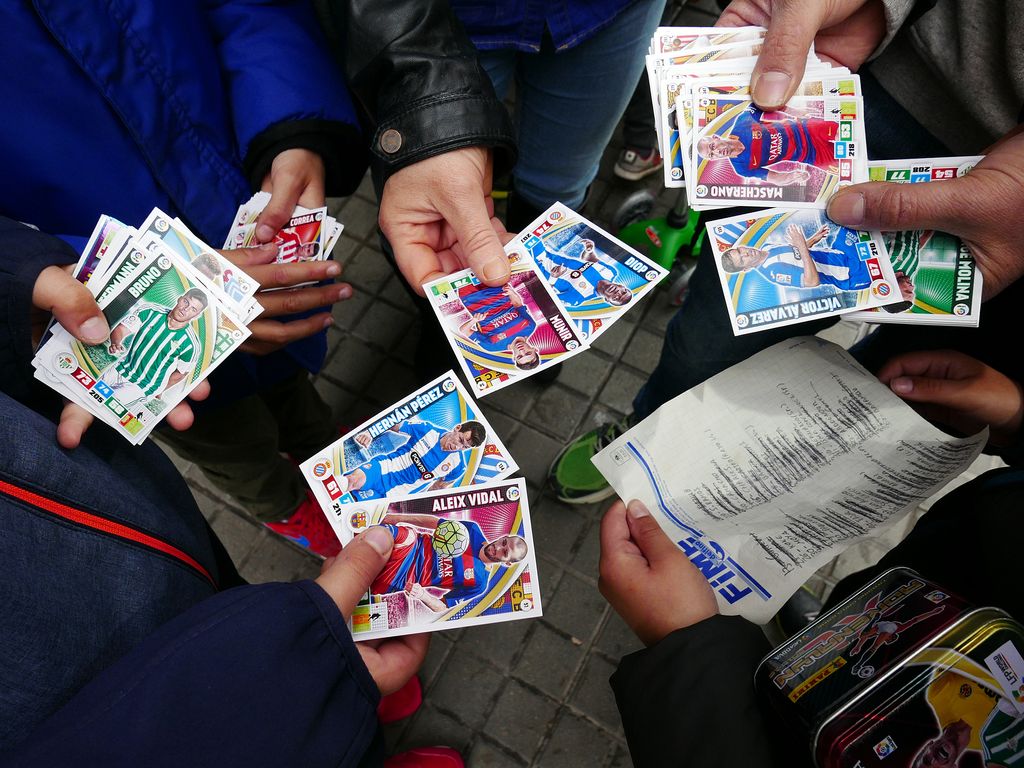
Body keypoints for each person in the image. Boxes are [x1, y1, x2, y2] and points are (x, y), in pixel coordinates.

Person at [0, 217, 453, 766]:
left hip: (167, 547)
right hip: (184, 702)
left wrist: (16, 279)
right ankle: (298, 519)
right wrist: (313, 667)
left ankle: (322, 487)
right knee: (252, 468)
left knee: (296, 427)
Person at [548, 0, 1024, 503]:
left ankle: (727, 479)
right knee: (712, 339)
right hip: (893, 78)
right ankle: (647, 435)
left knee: (891, 395)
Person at [598, 347, 1024, 767]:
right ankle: (816, 641)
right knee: (852, 612)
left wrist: (686, 644)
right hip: (919, 598)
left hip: (817, 730)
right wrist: (1019, 417)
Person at [372, 510, 529, 614]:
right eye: (504, 542)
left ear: (507, 563)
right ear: (503, 537)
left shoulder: (479, 583)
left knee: (363, 582)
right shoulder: (472, 530)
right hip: (411, 545)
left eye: (505, 552)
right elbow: (434, 523)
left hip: (403, 578)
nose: (499, 547)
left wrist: (422, 595)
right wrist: (398, 518)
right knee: (398, 535)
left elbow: (442, 606)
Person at [100, 289, 208, 406]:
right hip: (120, 368)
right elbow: (121, 329)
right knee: (93, 394)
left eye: (193, 309)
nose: (185, 309)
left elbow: (181, 373)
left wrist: (162, 389)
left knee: (108, 404)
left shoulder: (191, 344)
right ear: (180, 299)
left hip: (143, 386)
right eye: (186, 302)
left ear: (197, 315)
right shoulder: (150, 310)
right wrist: (115, 342)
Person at [337, 419, 487, 500]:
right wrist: (371, 432)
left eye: (465, 447)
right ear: (457, 428)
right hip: (383, 468)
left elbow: (438, 488)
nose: (457, 447)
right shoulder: (428, 430)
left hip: (394, 496)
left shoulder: (458, 466)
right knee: (352, 481)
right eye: (460, 440)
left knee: (351, 508)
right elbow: (394, 423)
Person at [695, 105, 839, 186]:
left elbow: (763, 101)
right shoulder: (742, 168)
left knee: (845, 135)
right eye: (712, 155)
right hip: (810, 156)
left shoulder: (742, 122)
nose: (718, 152)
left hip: (807, 129)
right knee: (848, 168)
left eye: (713, 147)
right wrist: (793, 176)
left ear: (715, 137)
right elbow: (775, 178)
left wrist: (792, 111)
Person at [720, 224, 872, 291]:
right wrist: (801, 244)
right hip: (848, 272)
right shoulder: (773, 272)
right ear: (746, 268)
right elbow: (811, 282)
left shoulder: (767, 247)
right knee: (886, 258)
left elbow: (797, 255)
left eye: (740, 251)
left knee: (851, 222)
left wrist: (812, 239)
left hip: (838, 253)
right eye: (742, 259)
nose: (746, 253)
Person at [536, 238, 635, 307]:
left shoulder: (578, 299)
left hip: (536, 265)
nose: (618, 292)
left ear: (607, 300)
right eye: (623, 291)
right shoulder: (610, 272)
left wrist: (553, 278)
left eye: (617, 298)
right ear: (622, 286)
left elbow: (545, 299)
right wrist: (589, 250)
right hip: (546, 250)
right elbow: (591, 260)